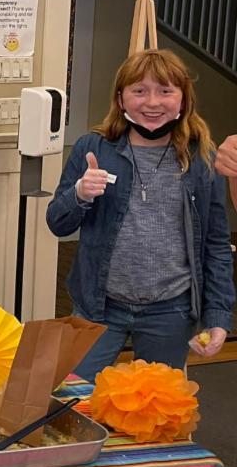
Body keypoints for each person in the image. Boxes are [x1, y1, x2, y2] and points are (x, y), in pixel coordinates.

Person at [47, 49, 234, 382]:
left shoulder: (202, 158)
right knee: (75, 397)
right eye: (139, 91)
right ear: (121, 98)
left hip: (171, 309)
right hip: (98, 306)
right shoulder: (93, 148)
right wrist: (80, 194)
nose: (152, 102)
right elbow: (57, 223)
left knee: (157, 403)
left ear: (183, 99)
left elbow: (216, 245)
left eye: (165, 91)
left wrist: (218, 316)